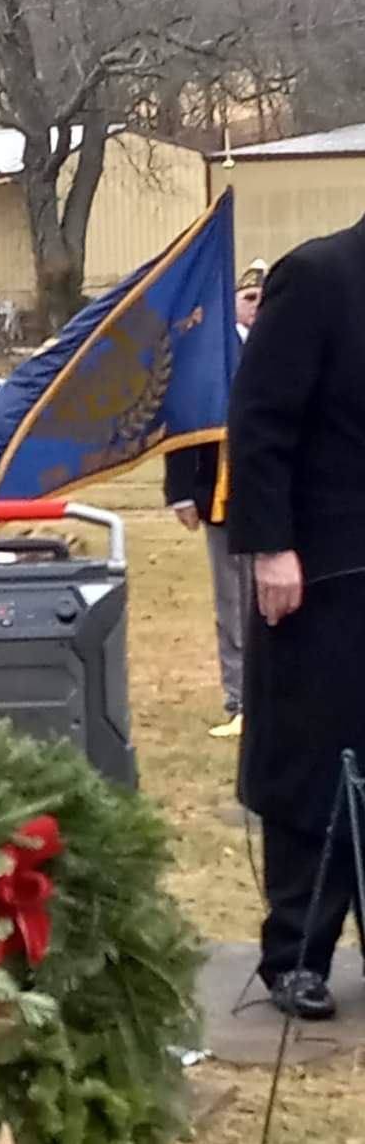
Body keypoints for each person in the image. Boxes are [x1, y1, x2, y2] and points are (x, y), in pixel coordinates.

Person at [228, 223, 365, 1021]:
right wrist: (271, 545)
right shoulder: (318, 276)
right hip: (321, 569)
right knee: (316, 758)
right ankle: (298, 955)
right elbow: (260, 421)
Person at [164, 259, 266, 739]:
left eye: (265, 299)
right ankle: (239, 698)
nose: (258, 307)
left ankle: (273, 698)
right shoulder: (208, 355)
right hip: (220, 493)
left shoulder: (283, 347)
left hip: (271, 496)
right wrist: (180, 491)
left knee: (274, 600)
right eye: (249, 298)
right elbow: (184, 419)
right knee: (232, 602)